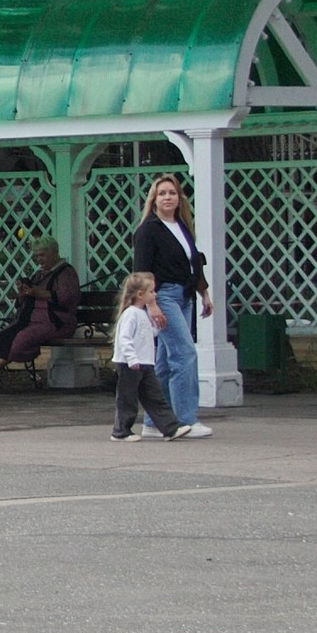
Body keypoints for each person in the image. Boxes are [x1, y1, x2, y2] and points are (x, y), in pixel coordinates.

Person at [131, 172, 216, 437]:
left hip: (185, 295)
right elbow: (142, 271)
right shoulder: (147, 231)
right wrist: (151, 303)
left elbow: (193, 262)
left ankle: (155, 422)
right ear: (154, 200)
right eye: (162, 193)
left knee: (166, 362)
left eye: (172, 193)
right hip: (163, 295)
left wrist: (204, 293)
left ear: (179, 198)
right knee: (184, 353)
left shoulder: (181, 227)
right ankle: (184, 419)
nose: (168, 197)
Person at [0, 237, 81, 378]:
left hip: (57, 322)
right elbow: (22, 303)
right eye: (36, 256)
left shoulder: (66, 273)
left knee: (22, 338)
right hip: (32, 321)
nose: (39, 259)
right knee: (5, 334)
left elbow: (67, 298)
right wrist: (23, 293)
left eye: (42, 255)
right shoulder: (39, 275)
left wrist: (39, 293)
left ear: (54, 253)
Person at [109, 271, 186, 440]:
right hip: (130, 363)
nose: (155, 294)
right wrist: (132, 358)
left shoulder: (142, 313)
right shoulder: (130, 314)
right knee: (127, 398)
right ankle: (121, 431)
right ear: (140, 294)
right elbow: (124, 338)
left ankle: (170, 428)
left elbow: (145, 335)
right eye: (152, 291)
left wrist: (158, 328)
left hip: (145, 363)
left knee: (154, 396)